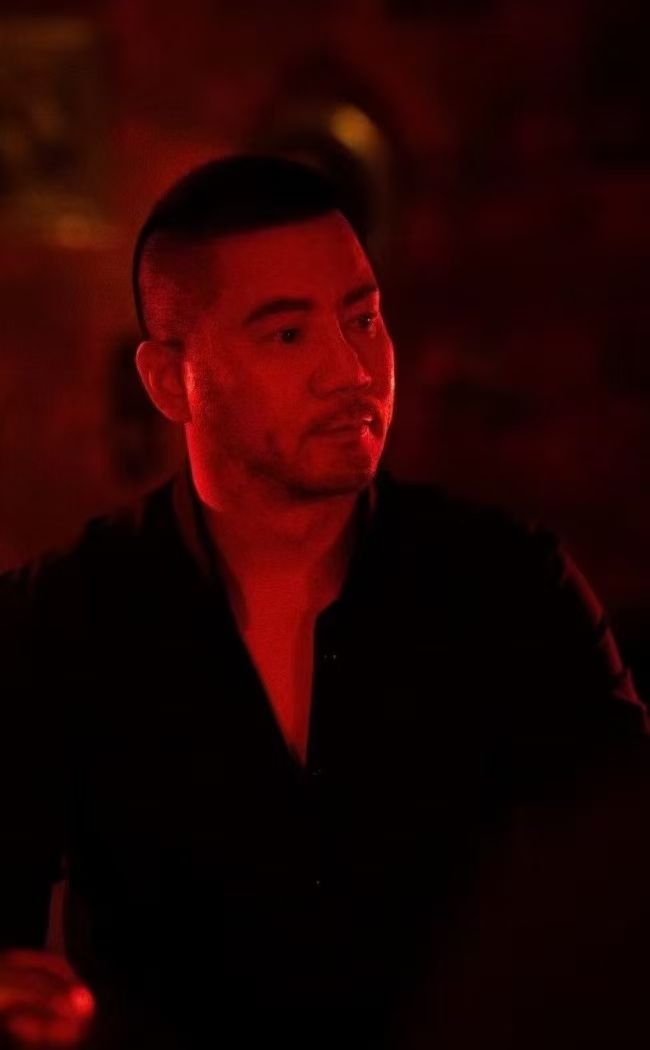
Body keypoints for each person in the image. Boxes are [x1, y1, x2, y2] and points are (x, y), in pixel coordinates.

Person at [0, 155, 647, 1050]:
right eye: (287, 336)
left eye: (364, 319)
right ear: (168, 381)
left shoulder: (508, 589)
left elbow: (624, 887)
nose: (351, 371)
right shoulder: (63, 617)